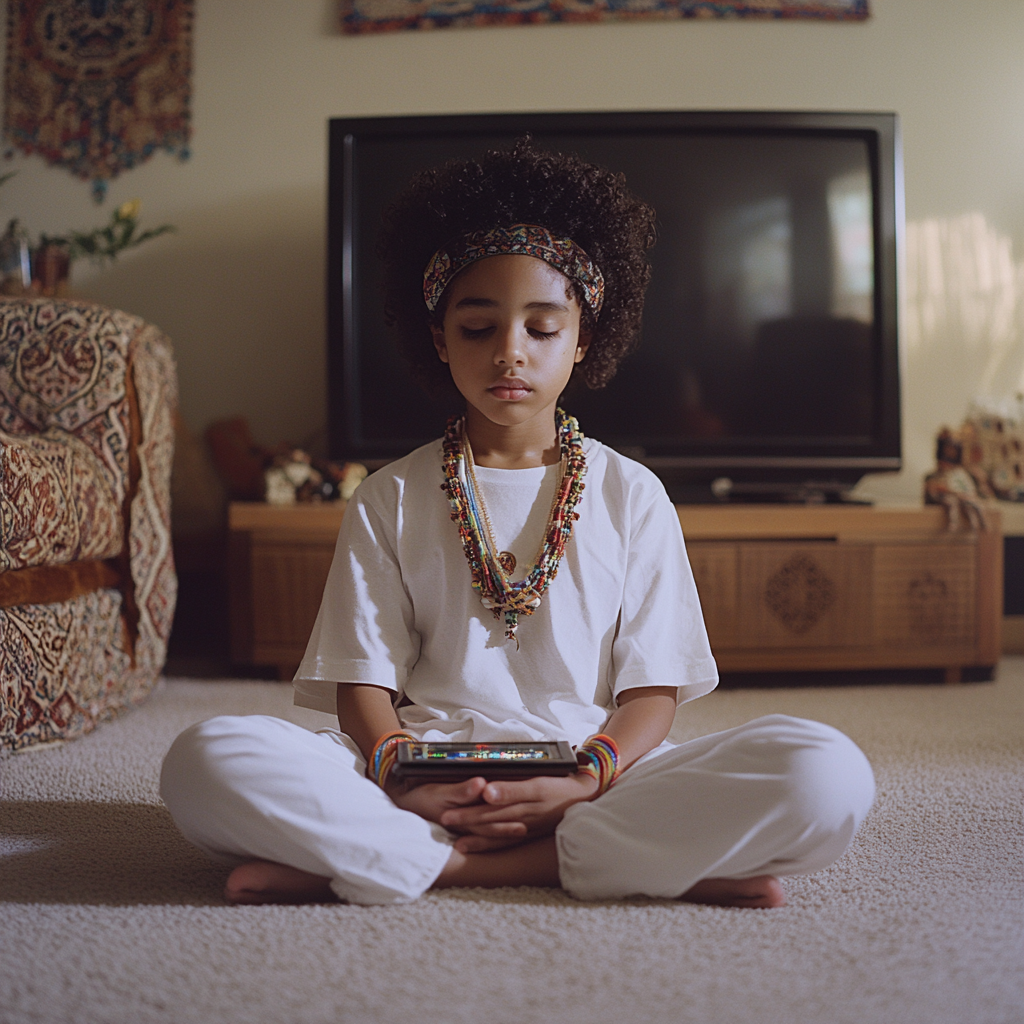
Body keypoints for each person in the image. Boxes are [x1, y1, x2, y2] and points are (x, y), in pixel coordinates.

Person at [161, 141, 875, 908]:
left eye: (541, 328)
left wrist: (581, 780)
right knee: (203, 758)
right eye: (477, 328)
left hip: (593, 776)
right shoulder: (388, 495)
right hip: (414, 774)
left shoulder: (632, 493)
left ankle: (405, 864)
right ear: (439, 338)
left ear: (584, 339)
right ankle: (606, 865)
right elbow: (361, 684)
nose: (510, 352)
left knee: (827, 772)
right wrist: (401, 773)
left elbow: (651, 695)